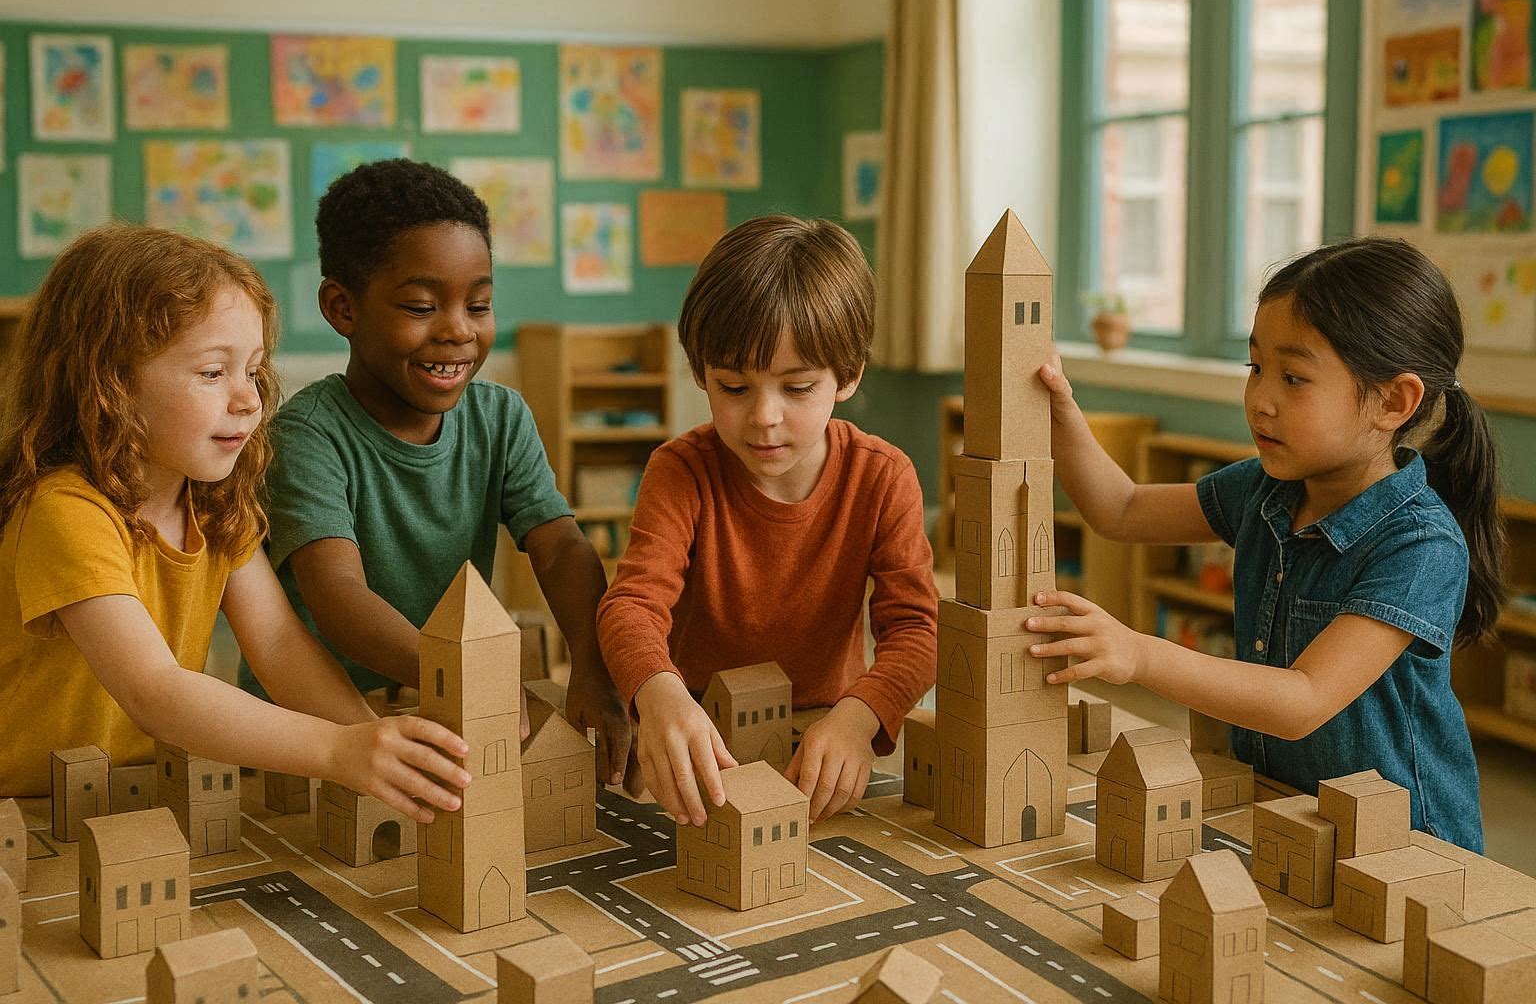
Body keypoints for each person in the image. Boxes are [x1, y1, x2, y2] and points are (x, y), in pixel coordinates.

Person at [1031, 237, 1501, 851]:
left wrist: (1139, 655)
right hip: (1288, 812)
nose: (1261, 399)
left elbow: (1302, 700)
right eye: (1255, 368)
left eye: (1294, 377)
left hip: (1403, 845)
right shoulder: (1265, 488)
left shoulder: (1419, 545)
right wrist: (1060, 412)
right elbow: (1120, 509)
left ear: (1393, 401)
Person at [0, 224, 470, 820]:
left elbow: (278, 644)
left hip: (133, 795)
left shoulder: (215, 503)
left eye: (252, 370)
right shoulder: (66, 510)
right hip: (28, 808)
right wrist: (336, 749)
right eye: (212, 372)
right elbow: (155, 689)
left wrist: (371, 741)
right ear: (110, 384)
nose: (248, 399)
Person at [234, 159, 631, 782]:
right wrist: (474, 681)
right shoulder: (307, 435)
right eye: (421, 306)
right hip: (309, 732)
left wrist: (592, 663)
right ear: (342, 307)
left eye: (479, 305)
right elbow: (340, 597)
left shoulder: (501, 418)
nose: (458, 331)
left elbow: (558, 547)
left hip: (437, 709)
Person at [597, 215, 938, 827]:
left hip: (828, 729)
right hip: (702, 732)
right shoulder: (680, 471)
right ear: (701, 373)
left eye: (798, 387)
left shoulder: (884, 477)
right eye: (733, 386)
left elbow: (916, 629)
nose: (764, 417)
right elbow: (631, 607)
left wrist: (861, 719)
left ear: (849, 375)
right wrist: (659, 693)